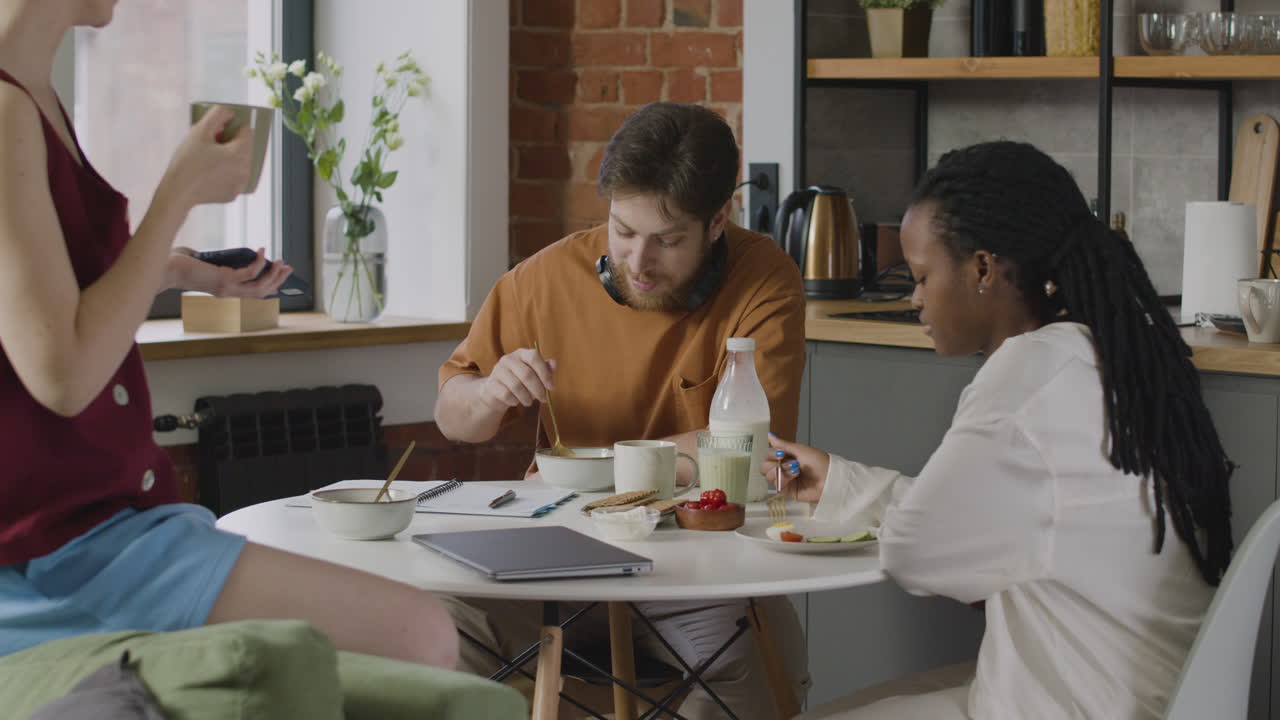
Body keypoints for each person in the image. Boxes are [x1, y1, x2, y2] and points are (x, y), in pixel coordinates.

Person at [0, 0, 458, 671]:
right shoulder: (7, 111)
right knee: (420, 635)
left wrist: (183, 271)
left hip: (99, 523)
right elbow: (61, 373)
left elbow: (47, 297)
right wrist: (176, 195)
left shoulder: (32, 94)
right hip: (59, 548)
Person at [769, 141, 1234, 720]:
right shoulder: (1107, 354)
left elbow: (917, 553)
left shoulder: (1027, 373)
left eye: (920, 276)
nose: (914, 299)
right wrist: (839, 481)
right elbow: (1011, 523)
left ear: (984, 268)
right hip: (1141, 695)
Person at [434, 102, 809, 718]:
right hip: (554, 550)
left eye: (667, 240)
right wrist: (490, 391)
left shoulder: (763, 278)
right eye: (623, 231)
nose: (638, 262)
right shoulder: (543, 279)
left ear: (718, 220)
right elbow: (455, 417)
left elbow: (753, 446)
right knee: (434, 628)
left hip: (695, 558)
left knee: (766, 668)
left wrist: (593, 467)